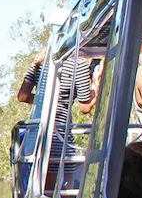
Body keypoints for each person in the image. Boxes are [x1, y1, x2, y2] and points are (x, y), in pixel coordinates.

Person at [18, 48, 97, 189]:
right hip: (59, 133)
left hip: (36, 133)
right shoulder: (79, 64)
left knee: (40, 186)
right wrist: (96, 89)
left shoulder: (40, 61)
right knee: (64, 188)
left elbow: (23, 96)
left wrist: (44, 100)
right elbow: (85, 108)